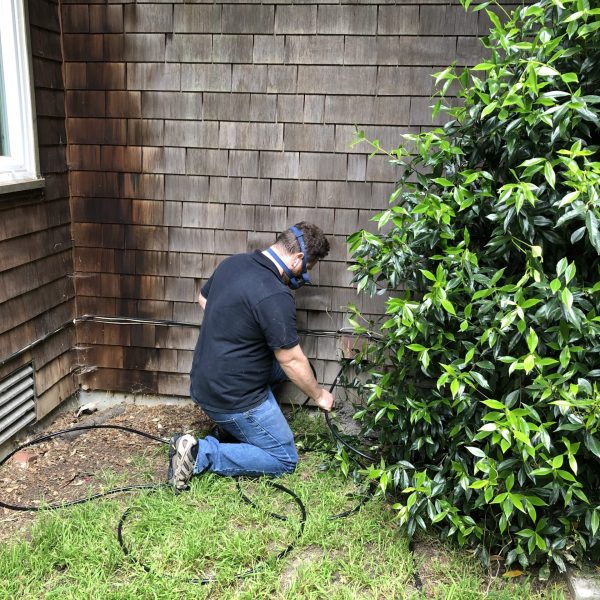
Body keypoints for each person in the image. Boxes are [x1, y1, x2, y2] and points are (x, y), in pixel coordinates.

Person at [168, 222, 334, 491]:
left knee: (302, 370)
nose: (305, 274)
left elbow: (203, 299)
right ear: (298, 259)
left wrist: (238, 330)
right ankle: (200, 454)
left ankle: (231, 430)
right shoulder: (275, 294)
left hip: (204, 382)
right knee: (284, 458)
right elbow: (291, 361)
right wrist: (319, 396)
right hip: (230, 395)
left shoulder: (233, 264)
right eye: (308, 268)